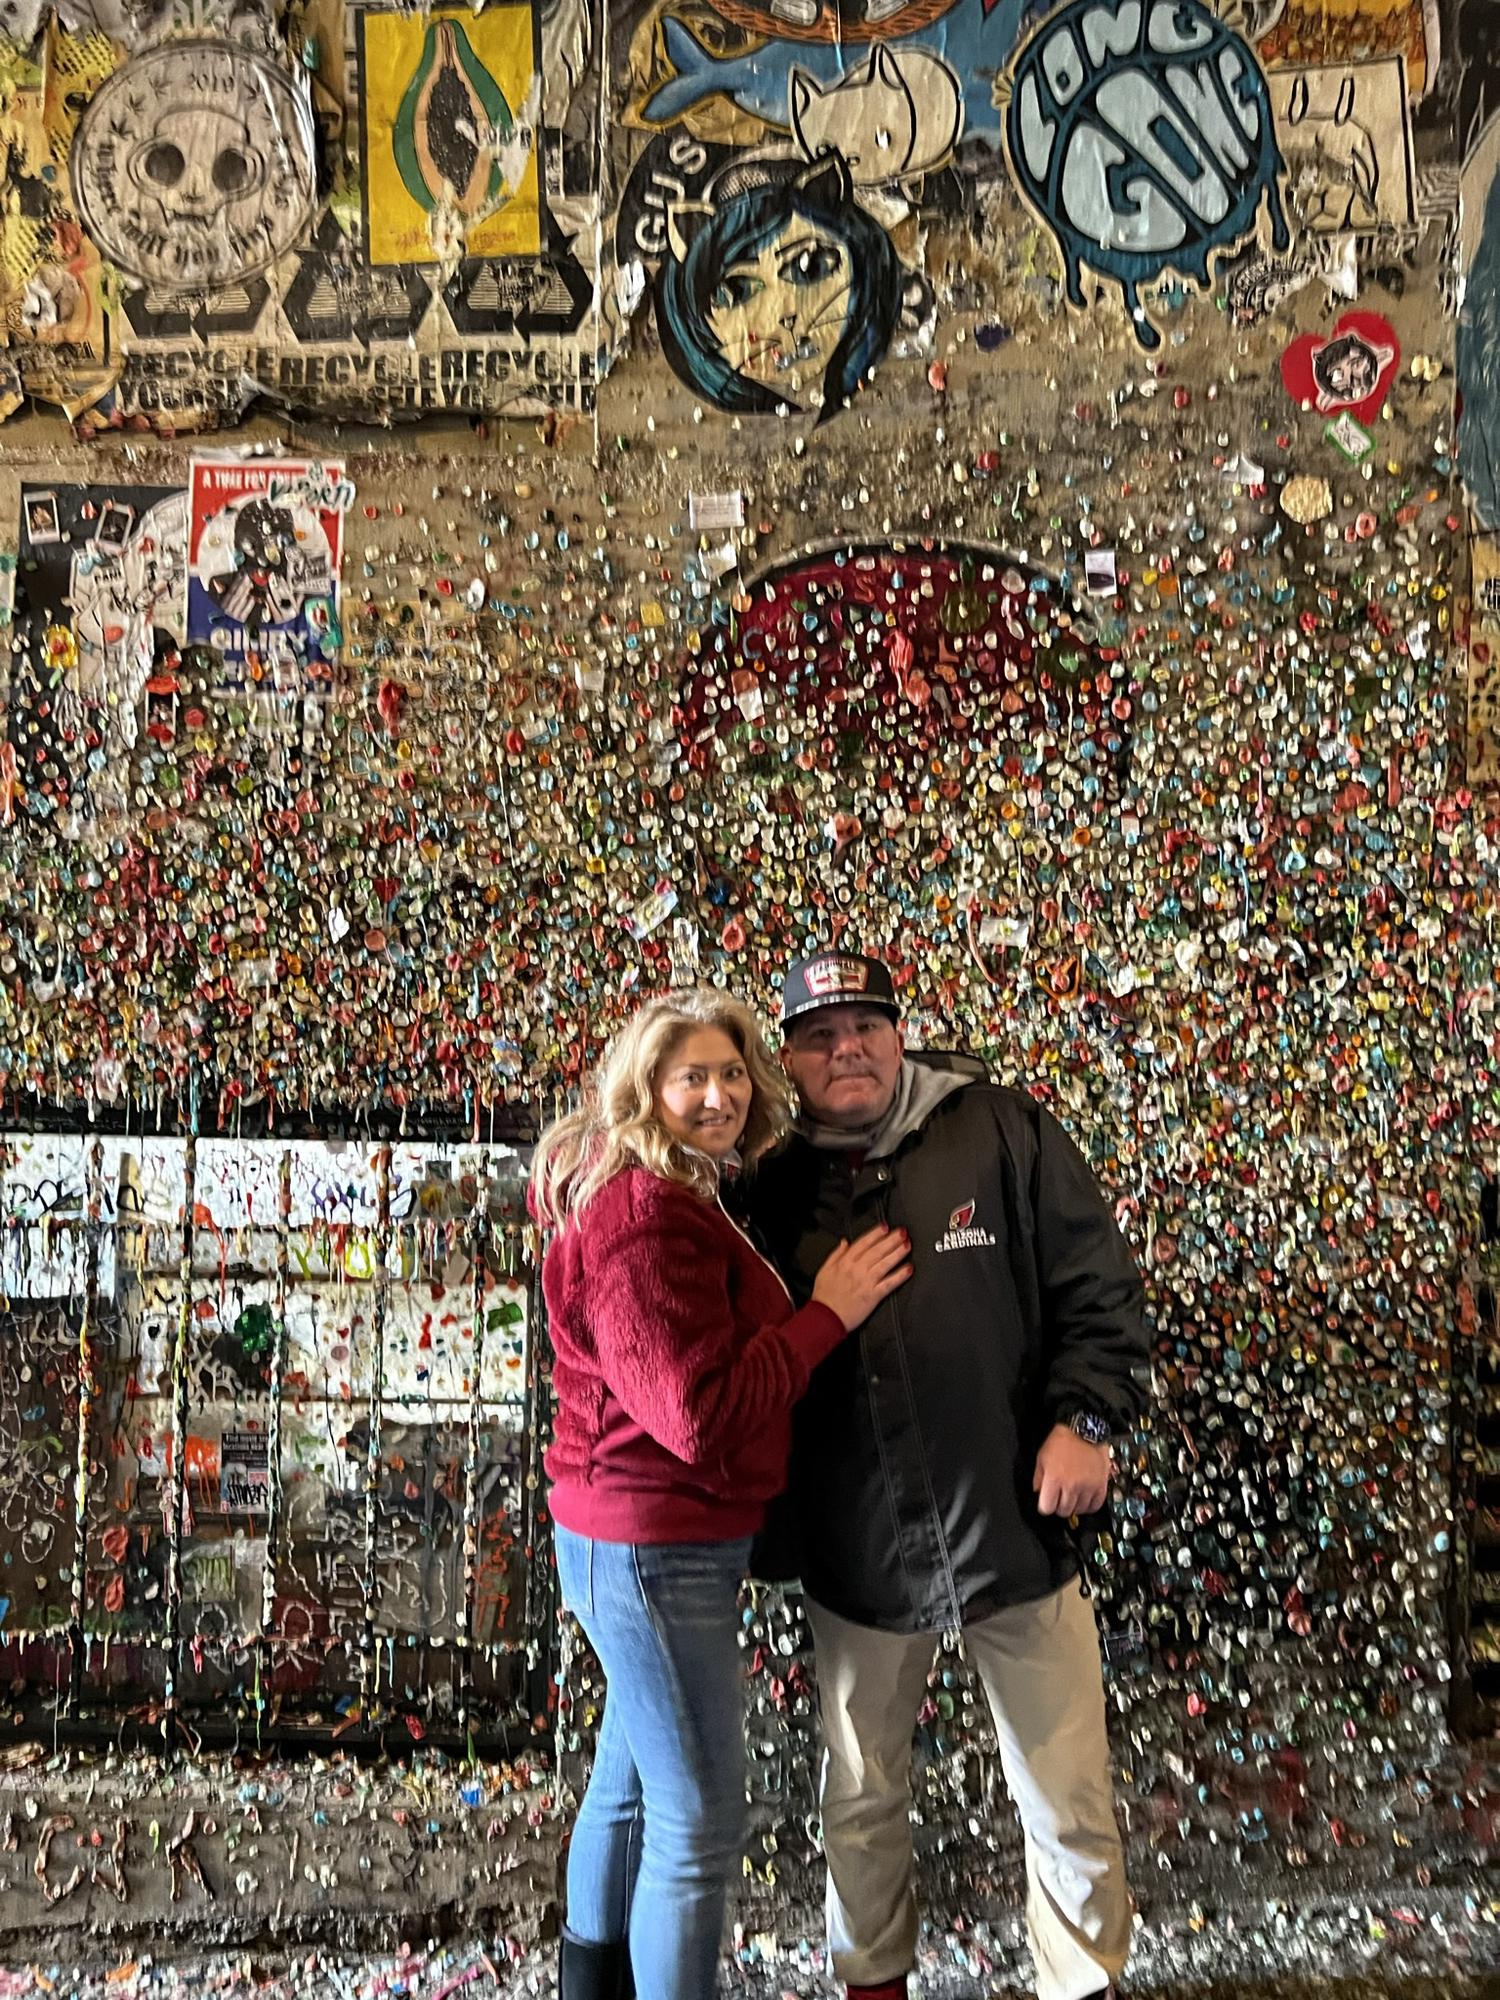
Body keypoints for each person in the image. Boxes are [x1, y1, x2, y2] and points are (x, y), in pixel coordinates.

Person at [741, 950, 1149, 2000]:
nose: (848, 1050)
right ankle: (872, 1982)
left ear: (899, 1033)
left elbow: (1098, 1284)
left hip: (1016, 1528)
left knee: (1066, 1797)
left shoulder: (1003, 1128)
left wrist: (1086, 1420)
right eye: (821, 1036)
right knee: (858, 1797)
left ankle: (1082, 1983)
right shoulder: (768, 1187)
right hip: (856, 1546)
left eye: (866, 1026)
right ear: (788, 1057)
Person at [530, 986, 912, 2000]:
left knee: (628, 1783)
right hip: (654, 1543)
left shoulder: (672, 1190)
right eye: (691, 1075)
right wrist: (827, 1313)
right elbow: (696, 1414)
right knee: (697, 1822)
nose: (719, 1094)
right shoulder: (644, 1215)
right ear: (644, 1085)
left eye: (734, 1072)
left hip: (639, 1533)